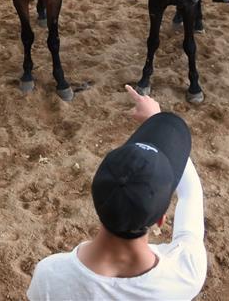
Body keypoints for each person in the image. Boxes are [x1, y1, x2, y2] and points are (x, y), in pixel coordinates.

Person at [27, 84, 207, 300]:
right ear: (160, 219)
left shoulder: (50, 275)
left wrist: (154, 124)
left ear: (97, 200)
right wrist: (156, 121)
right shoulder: (186, 272)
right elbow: (191, 194)